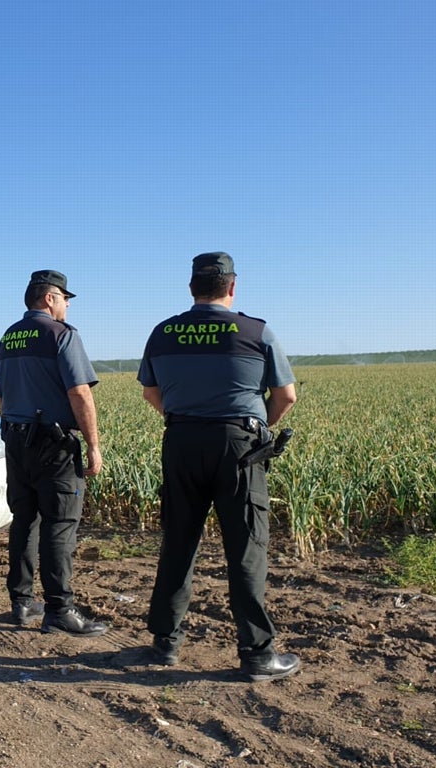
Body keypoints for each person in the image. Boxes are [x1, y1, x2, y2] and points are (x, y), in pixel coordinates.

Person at [137, 252, 299, 681]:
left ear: (192, 288)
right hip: (239, 446)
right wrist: (259, 426)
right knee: (245, 549)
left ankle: (165, 644)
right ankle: (257, 655)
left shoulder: (164, 332)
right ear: (232, 286)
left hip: (181, 440)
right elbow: (286, 397)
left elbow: (151, 391)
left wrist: (186, 418)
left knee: (179, 542)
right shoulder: (255, 331)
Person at [0, 270, 107, 637]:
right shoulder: (61, 335)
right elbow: (79, 393)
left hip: (16, 440)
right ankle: (60, 609)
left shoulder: (9, 337)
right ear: (49, 299)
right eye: (65, 298)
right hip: (53, 446)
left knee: (25, 520)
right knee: (60, 524)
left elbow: (0, 396)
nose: (68, 305)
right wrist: (92, 444)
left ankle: (22, 601)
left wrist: (14, 432)